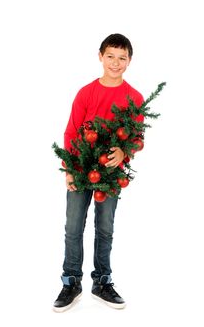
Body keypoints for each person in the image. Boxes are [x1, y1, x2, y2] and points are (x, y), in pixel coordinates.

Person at [53, 33, 144, 312]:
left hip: (110, 175)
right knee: (73, 227)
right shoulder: (86, 93)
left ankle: (102, 281)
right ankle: (71, 281)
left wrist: (124, 153)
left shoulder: (134, 97)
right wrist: (69, 169)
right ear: (100, 56)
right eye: (110, 56)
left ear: (129, 62)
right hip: (81, 169)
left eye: (122, 58)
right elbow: (71, 131)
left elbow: (136, 136)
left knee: (105, 228)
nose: (115, 63)